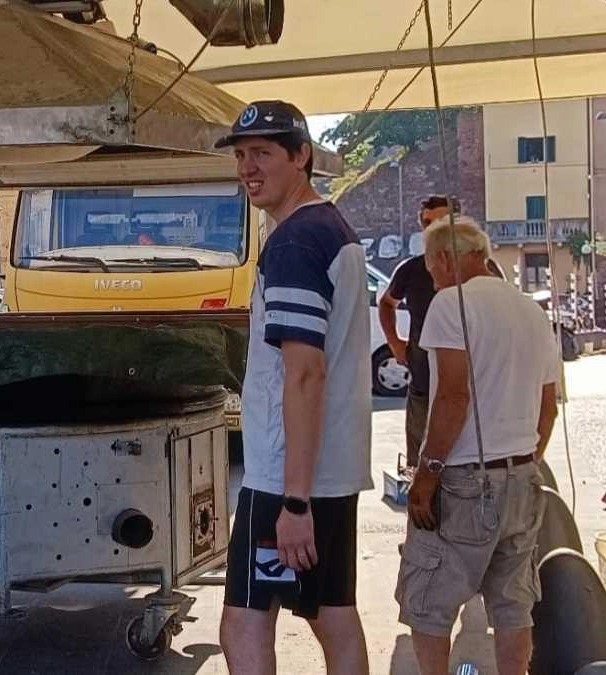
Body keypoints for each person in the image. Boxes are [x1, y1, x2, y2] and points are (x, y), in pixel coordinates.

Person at [216, 100, 372, 674]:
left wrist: (294, 502)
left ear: (301, 156)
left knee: (244, 624)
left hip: (288, 480)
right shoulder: (332, 230)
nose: (247, 168)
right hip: (326, 473)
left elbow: (305, 373)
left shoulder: (296, 243)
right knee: (333, 616)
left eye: (262, 154)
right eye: (240, 155)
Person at [396, 217, 558, 675]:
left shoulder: (451, 303)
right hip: (524, 473)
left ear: (445, 258)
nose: (432, 277)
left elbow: (451, 395)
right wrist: (523, 464)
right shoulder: (531, 310)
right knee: (512, 605)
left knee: (428, 602)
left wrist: (426, 476)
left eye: (430, 267)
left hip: (466, 479)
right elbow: (548, 409)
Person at [380, 195, 457, 470]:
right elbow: (387, 303)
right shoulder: (411, 269)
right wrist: (395, 344)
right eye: (427, 223)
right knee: (419, 468)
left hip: (472, 390)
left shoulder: (480, 269)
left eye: (440, 222)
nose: (433, 229)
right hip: (423, 383)